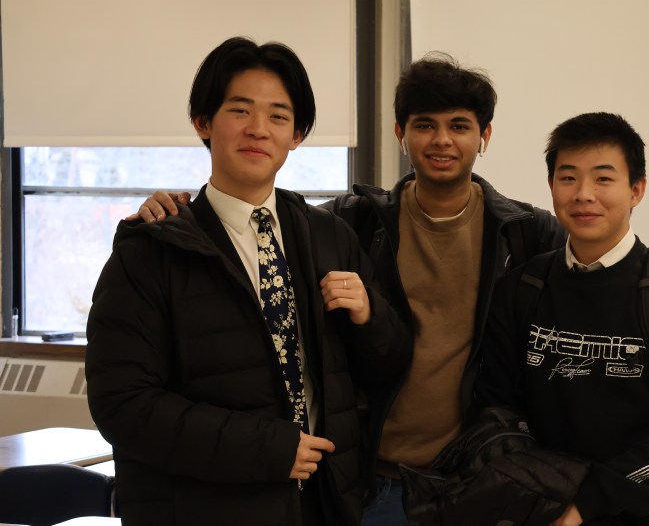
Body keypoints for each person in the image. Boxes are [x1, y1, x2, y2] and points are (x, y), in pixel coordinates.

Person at [134, 54, 649, 526]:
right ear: (401, 133)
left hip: (473, 483)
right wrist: (175, 209)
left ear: (484, 136)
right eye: (425, 125)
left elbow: (603, 252)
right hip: (367, 475)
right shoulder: (351, 225)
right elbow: (254, 222)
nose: (442, 140)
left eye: (460, 126)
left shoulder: (525, 235)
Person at [85, 37, 410, 526]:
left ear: (296, 135)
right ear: (203, 121)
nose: (258, 129)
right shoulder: (150, 250)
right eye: (240, 110)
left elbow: (387, 368)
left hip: (322, 503)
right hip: (204, 508)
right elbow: (122, 404)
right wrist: (269, 450)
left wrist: (370, 318)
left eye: (278, 116)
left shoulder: (329, 235)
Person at [474, 112, 649, 525]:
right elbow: (497, 409)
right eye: (568, 178)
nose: (584, 195)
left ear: (637, 190)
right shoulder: (522, 286)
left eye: (603, 179)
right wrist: (544, 496)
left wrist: (587, 504)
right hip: (544, 511)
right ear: (551, 185)